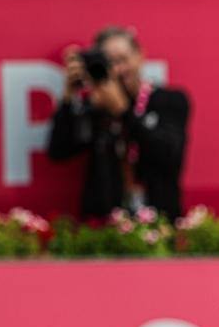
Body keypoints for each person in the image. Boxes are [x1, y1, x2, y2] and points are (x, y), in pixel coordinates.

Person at [47, 26, 189, 221]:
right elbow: (59, 151)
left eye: (123, 59)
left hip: (159, 222)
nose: (118, 70)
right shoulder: (96, 107)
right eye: (110, 62)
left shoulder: (170, 100)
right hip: (105, 225)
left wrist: (123, 111)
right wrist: (69, 98)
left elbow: (168, 154)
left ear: (140, 56)